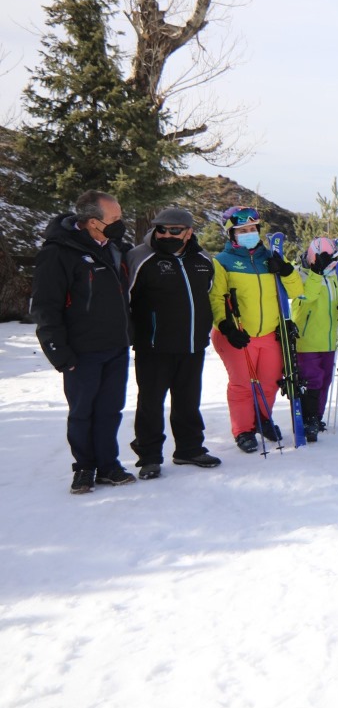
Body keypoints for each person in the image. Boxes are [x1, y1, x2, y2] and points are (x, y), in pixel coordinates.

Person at [31, 190, 137, 493]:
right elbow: (44, 307)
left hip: (116, 347)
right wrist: (58, 352)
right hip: (81, 351)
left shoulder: (114, 247)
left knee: (110, 409)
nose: (121, 223)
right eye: (115, 218)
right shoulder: (59, 252)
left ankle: (108, 465)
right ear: (93, 222)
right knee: (82, 412)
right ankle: (84, 467)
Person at [127, 206, 220, 478]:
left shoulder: (203, 259)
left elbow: (209, 296)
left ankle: (189, 449)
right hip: (154, 346)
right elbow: (125, 301)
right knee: (150, 403)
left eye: (174, 230)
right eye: (161, 229)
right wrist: (135, 335)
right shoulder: (140, 257)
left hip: (192, 345)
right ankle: (149, 457)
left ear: (189, 232)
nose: (166, 234)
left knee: (188, 401)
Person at [209, 206, 304, 452]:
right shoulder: (223, 262)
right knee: (242, 384)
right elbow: (216, 298)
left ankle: (262, 419)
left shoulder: (271, 258)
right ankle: (243, 429)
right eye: (242, 230)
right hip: (238, 333)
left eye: (252, 229)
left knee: (270, 382)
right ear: (231, 234)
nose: (249, 233)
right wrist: (226, 326)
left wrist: (285, 270)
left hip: (270, 333)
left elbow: (296, 291)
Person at [293, 237, 338, 442]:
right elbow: (307, 296)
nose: (329, 263)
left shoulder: (337, 274)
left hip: (330, 339)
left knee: (325, 380)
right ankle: (308, 417)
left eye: (332, 259)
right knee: (312, 379)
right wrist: (316, 273)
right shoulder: (300, 274)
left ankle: (316, 417)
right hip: (307, 339)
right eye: (323, 259)